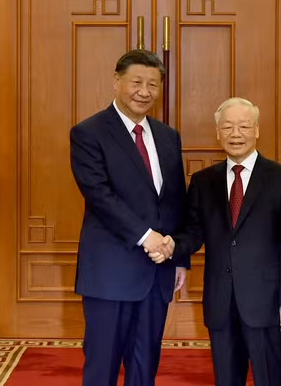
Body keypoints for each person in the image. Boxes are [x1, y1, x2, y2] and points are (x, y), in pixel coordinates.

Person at [150, 97, 281, 386]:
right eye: (228, 127)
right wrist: (172, 246)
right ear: (218, 132)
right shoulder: (203, 181)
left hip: (267, 304)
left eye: (244, 127)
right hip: (221, 303)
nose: (236, 134)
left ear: (256, 130)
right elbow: (194, 231)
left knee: (272, 379)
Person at [69, 50, 189, 386]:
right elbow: (99, 195)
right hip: (110, 272)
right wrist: (147, 236)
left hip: (157, 271)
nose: (144, 92)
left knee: (145, 365)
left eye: (153, 84)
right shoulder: (88, 133)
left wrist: (179, 256)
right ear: (116, 81)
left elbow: (175, 199)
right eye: (136, 82)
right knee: (102, 367)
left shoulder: (167, 136)